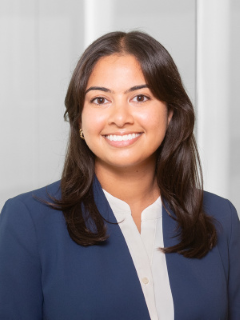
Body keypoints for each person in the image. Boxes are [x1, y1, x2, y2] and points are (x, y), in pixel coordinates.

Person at [0, 31, 239, 320]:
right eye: (100, 100)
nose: (120, 117)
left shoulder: (219, 217)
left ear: (171, 113)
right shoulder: (27, 222)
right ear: (79, 119)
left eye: (140, 97)